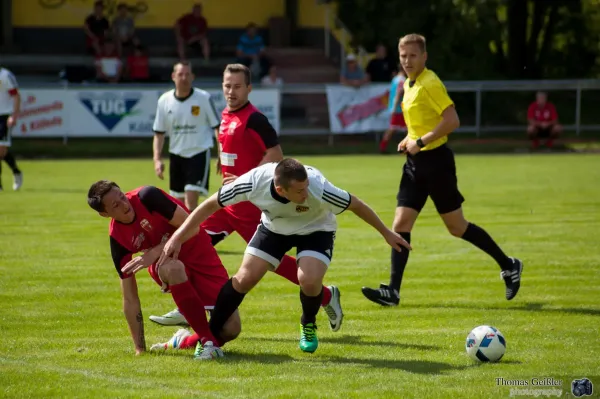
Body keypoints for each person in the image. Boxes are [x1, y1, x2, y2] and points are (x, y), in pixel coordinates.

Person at [149, 64, 344, 334]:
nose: (231, 91)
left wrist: (244, 177)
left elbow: (276, 153)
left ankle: (324, 295)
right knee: (194, 243)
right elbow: (229, 146)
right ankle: (192, 305)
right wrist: (222, 162)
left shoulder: (255, 119)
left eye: (237, 86)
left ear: (249, 89)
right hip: (229, 205)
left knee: (267, 263)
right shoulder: (226, 115)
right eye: (227, 86)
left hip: (249, 205)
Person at [158, 158, 412, 354]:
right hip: (274, 229)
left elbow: (356, 204)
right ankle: (209, 339)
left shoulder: (318, 188)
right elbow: (209, 205)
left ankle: (308, 323)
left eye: (305, 188)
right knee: (244, 278)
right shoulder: (253, 182)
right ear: (280, 189)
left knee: (309, 279)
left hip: (316, 230)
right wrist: (178, 236)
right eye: (299, 191)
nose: (305, 193)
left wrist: (386, 233)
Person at [361, 34, 523, 307]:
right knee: (400, 225)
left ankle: (509, 264)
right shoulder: (409, 84)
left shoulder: (430, 83)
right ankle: (393, 291)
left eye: (413, 56)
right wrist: (409, 138)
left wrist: (421, 141)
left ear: (424, 57)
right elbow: (422, 123)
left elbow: (452, 120)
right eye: (403, 56)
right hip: (415, 164)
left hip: (436, 162)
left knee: (457, 227)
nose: (408, 61)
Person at [87, 180, 242, 360]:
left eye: (122, 196)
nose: (124, 204)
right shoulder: (118, 239)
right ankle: (208, 343)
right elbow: (130, 298)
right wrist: (140, 349)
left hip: (200, 254)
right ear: (104, 214)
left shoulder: (148, 197)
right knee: (174, 268)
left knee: (231, 328)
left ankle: (183, 341)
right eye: (115, 205)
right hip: (166, 264)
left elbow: (192, 228)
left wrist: (153, 252)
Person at [153, 61, 220, 210]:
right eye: (180, 74)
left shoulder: (203, 98)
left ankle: (194, 233)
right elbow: (159, 132)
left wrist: (221, 153)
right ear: (173, 76)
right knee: (179, 205)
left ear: (193, 76)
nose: (184, 78)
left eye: (187, 74)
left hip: (198, 152)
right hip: (176, 155)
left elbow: (217, 127)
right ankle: (189, 232)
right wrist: (157, 159)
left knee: (191, 200)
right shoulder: (164, 100)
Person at [0, 66, 23, 192]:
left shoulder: (5, 76)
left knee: (1, 151)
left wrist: (14, 115)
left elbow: (16, 95)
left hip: (4, 116)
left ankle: (16, 171)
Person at [379, 69, 407, 153]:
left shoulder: (395, 79)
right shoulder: (402, 80)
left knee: (394, 128)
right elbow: (399, 93)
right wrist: (395, 107)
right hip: (399, 109)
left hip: (395, 108)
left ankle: (383, 147)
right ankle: (406, 148)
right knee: (397, 128)